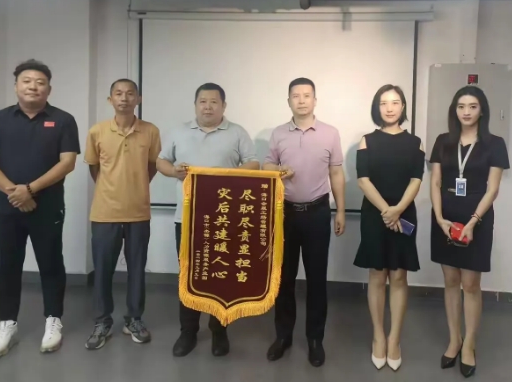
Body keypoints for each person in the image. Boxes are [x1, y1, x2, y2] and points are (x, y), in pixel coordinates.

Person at [0, 59, 80, 357]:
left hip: (47, 207)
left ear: (49, 89)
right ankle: (7, 324)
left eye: (40, 82)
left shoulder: (63, 120)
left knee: (51, 264)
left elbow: (67, 163)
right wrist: (16, 192)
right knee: (7, 265)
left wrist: (30, 190)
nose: (33, 86)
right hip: (7, 207)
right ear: (16, 86)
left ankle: (53, 320)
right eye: (27, 81)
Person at [156, 83, 259, 358]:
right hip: (187, 218)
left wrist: (226, 176)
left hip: (224, 219)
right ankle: (188, 331)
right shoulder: (179, 131)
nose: (208, 107)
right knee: (188, 275)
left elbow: (253, 163)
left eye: (214, 102)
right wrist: (174, 171)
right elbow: (161, 162)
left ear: (223, 106)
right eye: (203, 101)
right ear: (195, 105)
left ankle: (219, 330)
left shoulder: (237, 132)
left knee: (220, 275)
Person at [263, 77, 345, 368]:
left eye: (306, 95)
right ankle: (283, 336)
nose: (301, 100)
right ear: (288, 101)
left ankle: (314, 339)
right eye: (295, 96)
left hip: (318, 213)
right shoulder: (278, 133)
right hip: (285, 214)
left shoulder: (330, 133)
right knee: (284, 278)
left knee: (316, 279)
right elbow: (266, 164)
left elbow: (336, 174)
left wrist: (341, 210)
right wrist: (277, 169)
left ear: (314, 100)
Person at [429, 85, 510, 378]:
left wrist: (473, 221)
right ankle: (455, 340)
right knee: (451, 280)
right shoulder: (443, 141)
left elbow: (493, 188)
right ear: (455, 110)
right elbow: (435, 181)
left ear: (482, 110)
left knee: (471, 284)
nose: (466, 112)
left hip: (478, 215)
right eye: (461, 106)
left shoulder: (495, 143)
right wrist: (440, 218)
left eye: (472, 106)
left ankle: (469, 345)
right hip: (446, 215)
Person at [83, 79, 161, 350]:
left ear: (138, 99)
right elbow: (94, 168)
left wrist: (134, 187)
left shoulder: (151, 131)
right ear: (110, 100)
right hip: (104, 212)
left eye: (130, 94)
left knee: (137, 269)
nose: (124, 98)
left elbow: (152, 166)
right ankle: (102, 321)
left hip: (138, 212)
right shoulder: (97, 131)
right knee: (102, 270)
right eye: (118, 94)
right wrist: (112, 189)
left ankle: (134, 319)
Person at [354, 85, 424, 372]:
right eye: (384, 103)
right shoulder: (367, 141)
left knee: (398, 275)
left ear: (403, 107)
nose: (390, 108)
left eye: (395, 102)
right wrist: (387, 210)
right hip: (375, 215)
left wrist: (397, 210)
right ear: (377, 107)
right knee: (376, 274)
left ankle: (394, 339)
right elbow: (363, 180)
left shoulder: (416, 142)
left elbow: (416, 180)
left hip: (404, 214)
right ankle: (378, 337)